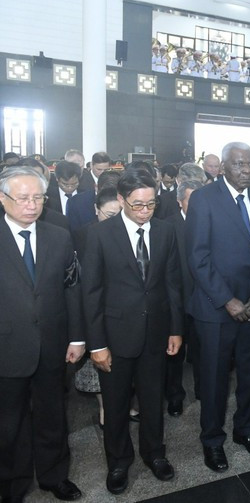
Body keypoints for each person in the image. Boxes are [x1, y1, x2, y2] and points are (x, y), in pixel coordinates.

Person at [82, 169, 183, 495]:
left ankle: (155, 454)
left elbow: (172, 284)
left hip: (155, 332)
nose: (144, 211)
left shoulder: (166, 231)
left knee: (153, 400)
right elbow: (92, 292)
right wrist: (96, 343)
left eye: (150, 204)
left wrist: (175, 329)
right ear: (122, 200)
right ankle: (118, 463)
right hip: (115, 335)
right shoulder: (100, 234)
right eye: (137, 205)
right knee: (115, 405)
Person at [185, 142, 250, 472]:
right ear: (223, 167)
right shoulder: (204, 199)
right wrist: (227, 300)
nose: (247, 169)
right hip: (217, 309)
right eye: (239, 164)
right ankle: (212, 440)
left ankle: (246, 430)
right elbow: (198, 258)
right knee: (214, 380)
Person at [0, 167, 84, 503]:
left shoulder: (59, 235)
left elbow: (72, 289)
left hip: (52, 344)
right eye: (22, 198)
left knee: (52, 415)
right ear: (3, 199)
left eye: (38, 197)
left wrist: (77, 337)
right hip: (6, 345)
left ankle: (54, 476)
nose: (31, 205)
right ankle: (12, 482)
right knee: (9, 423)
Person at [73, 187, 122, 429]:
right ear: (96, 210)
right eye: (110, 215)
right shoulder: (83, 235)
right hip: (95, 307)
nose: (116, 220)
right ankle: (105, 407)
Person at [164, 179, 205, 416]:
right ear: (180, 200)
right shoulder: (168, 226)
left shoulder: (210, 222)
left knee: (203, 351)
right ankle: (175, 396)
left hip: (203, 300)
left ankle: (203, 389)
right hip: (175, 301)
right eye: (192, 199)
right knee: (174, 354)